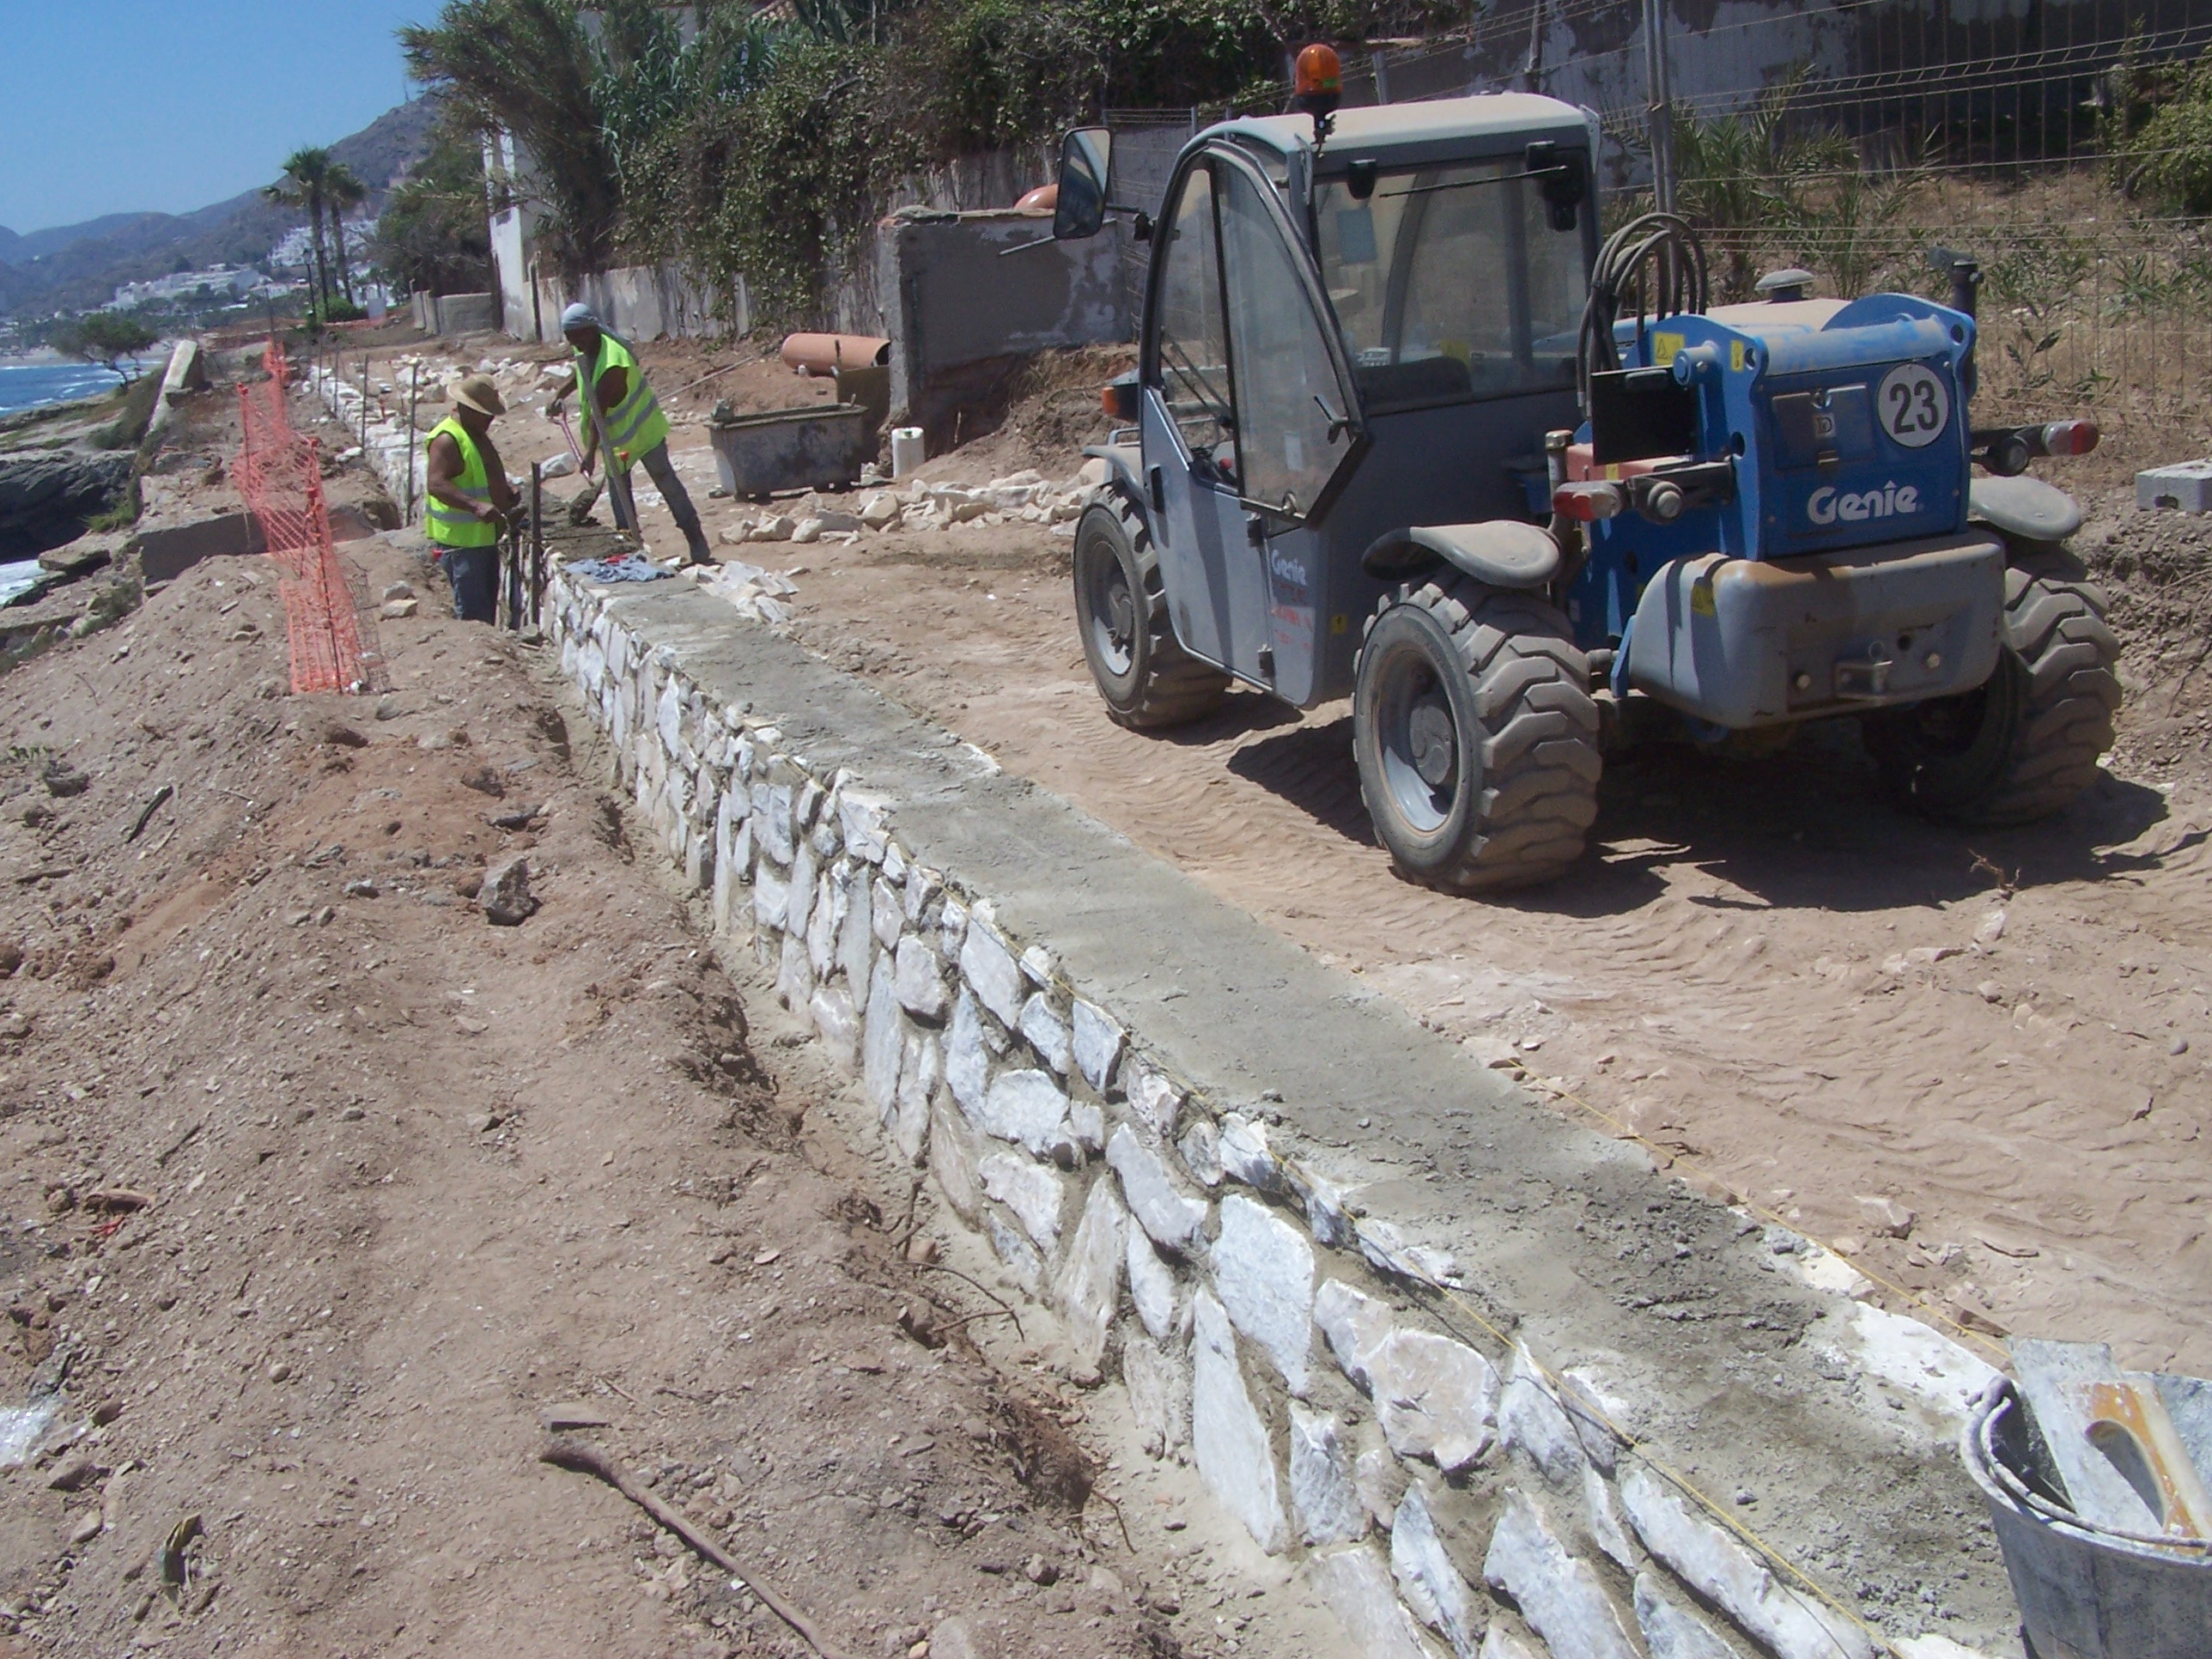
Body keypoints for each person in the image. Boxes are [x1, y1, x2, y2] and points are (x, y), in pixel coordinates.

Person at [555, 301, 713, 566]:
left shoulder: (613, 361)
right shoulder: (585, 348)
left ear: (589, 330)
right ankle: (632, 552)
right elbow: (580, 373)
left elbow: (599, 412)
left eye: (574, 336)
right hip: (617, 440)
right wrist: (560, 393)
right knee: (621, 498)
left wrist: (590, 453)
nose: (572, 343)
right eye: (568, 338)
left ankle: (697, 542)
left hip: (643, 432)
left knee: (667, 485)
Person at [423, 373, 519, 623]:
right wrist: (476, 506)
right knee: (473, 613)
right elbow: (436, 483)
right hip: (462, 544)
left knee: (486, 606)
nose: (489, 420)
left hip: (483, 539)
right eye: (485, 414)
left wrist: (504, 489)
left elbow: (477, 471)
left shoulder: (473, 431)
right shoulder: (447, 439)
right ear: (467, 408)